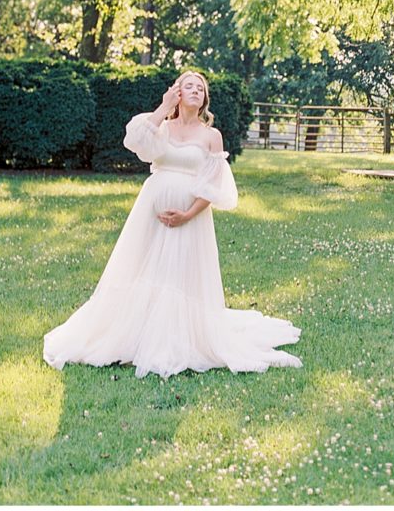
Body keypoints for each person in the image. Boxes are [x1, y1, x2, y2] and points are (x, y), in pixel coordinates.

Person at [42, 70, 302, 379]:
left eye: (200, 88)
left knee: (178, 276)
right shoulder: (160, 127)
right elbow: (135, 142)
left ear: (205, 98)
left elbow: (213, 185)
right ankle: (135, 332)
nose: (195, 91)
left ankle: (174, 337)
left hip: (190, 219)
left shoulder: (211, 135)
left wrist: (188, 214)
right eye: (188, 86)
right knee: (144, 270)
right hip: (149, 217)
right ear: (177, 94)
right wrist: (164, 107)